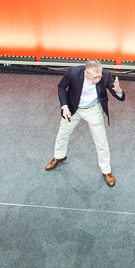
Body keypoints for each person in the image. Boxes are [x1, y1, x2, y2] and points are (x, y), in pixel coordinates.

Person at [45, 58, 126, 186]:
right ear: (85, 72)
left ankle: (106, 171)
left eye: (99, 76)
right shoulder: (72, 73)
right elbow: (61, 87)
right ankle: (59, 156)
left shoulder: (105, 75)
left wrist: (119, 91)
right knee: (62, 134)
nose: (98, 80)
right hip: (73, 108)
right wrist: (64, 106)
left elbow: (119, 96)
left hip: (93, 110)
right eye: (94, 77)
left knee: (101, 142)